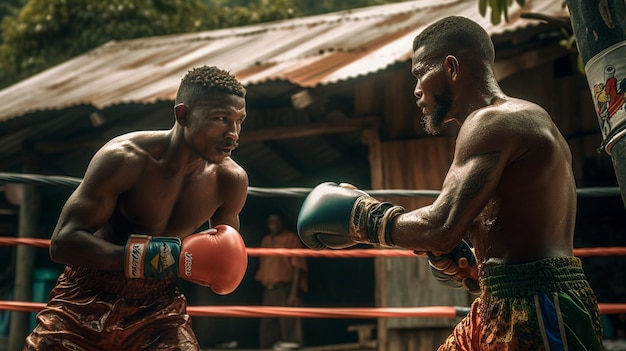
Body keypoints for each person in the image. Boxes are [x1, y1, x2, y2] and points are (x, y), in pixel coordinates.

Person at [297, 16, 604, 350]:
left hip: (540, 305)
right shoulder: (491, 127)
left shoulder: (496, 121)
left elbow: (441, 226)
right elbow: (485, 229)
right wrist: (471, 262)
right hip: (501, 299)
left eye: (420, 73)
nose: (415, 90)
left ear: (451, 67)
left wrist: (363, 218)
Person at [24, 65, 250, 351]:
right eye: (222, 119)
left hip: (158, 308)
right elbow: (63, 242)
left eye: (239, 121)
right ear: (183, 114)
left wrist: (216, 268)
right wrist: (156, 259)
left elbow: (225, 261)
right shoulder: (125, 159)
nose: (233, 133)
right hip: (86, 298)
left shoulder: (230, 181)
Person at [255, 210, 308, 349]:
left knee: (289, 329)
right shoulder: (266, 240)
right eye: (271, 222)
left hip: (286, 289)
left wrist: (293, 294)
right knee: (268, 330)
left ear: (282, 223)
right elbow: (263, 266)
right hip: (269, 290)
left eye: (276, 222)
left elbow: (298, 266)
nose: (274, 225)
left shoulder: (291, 238)